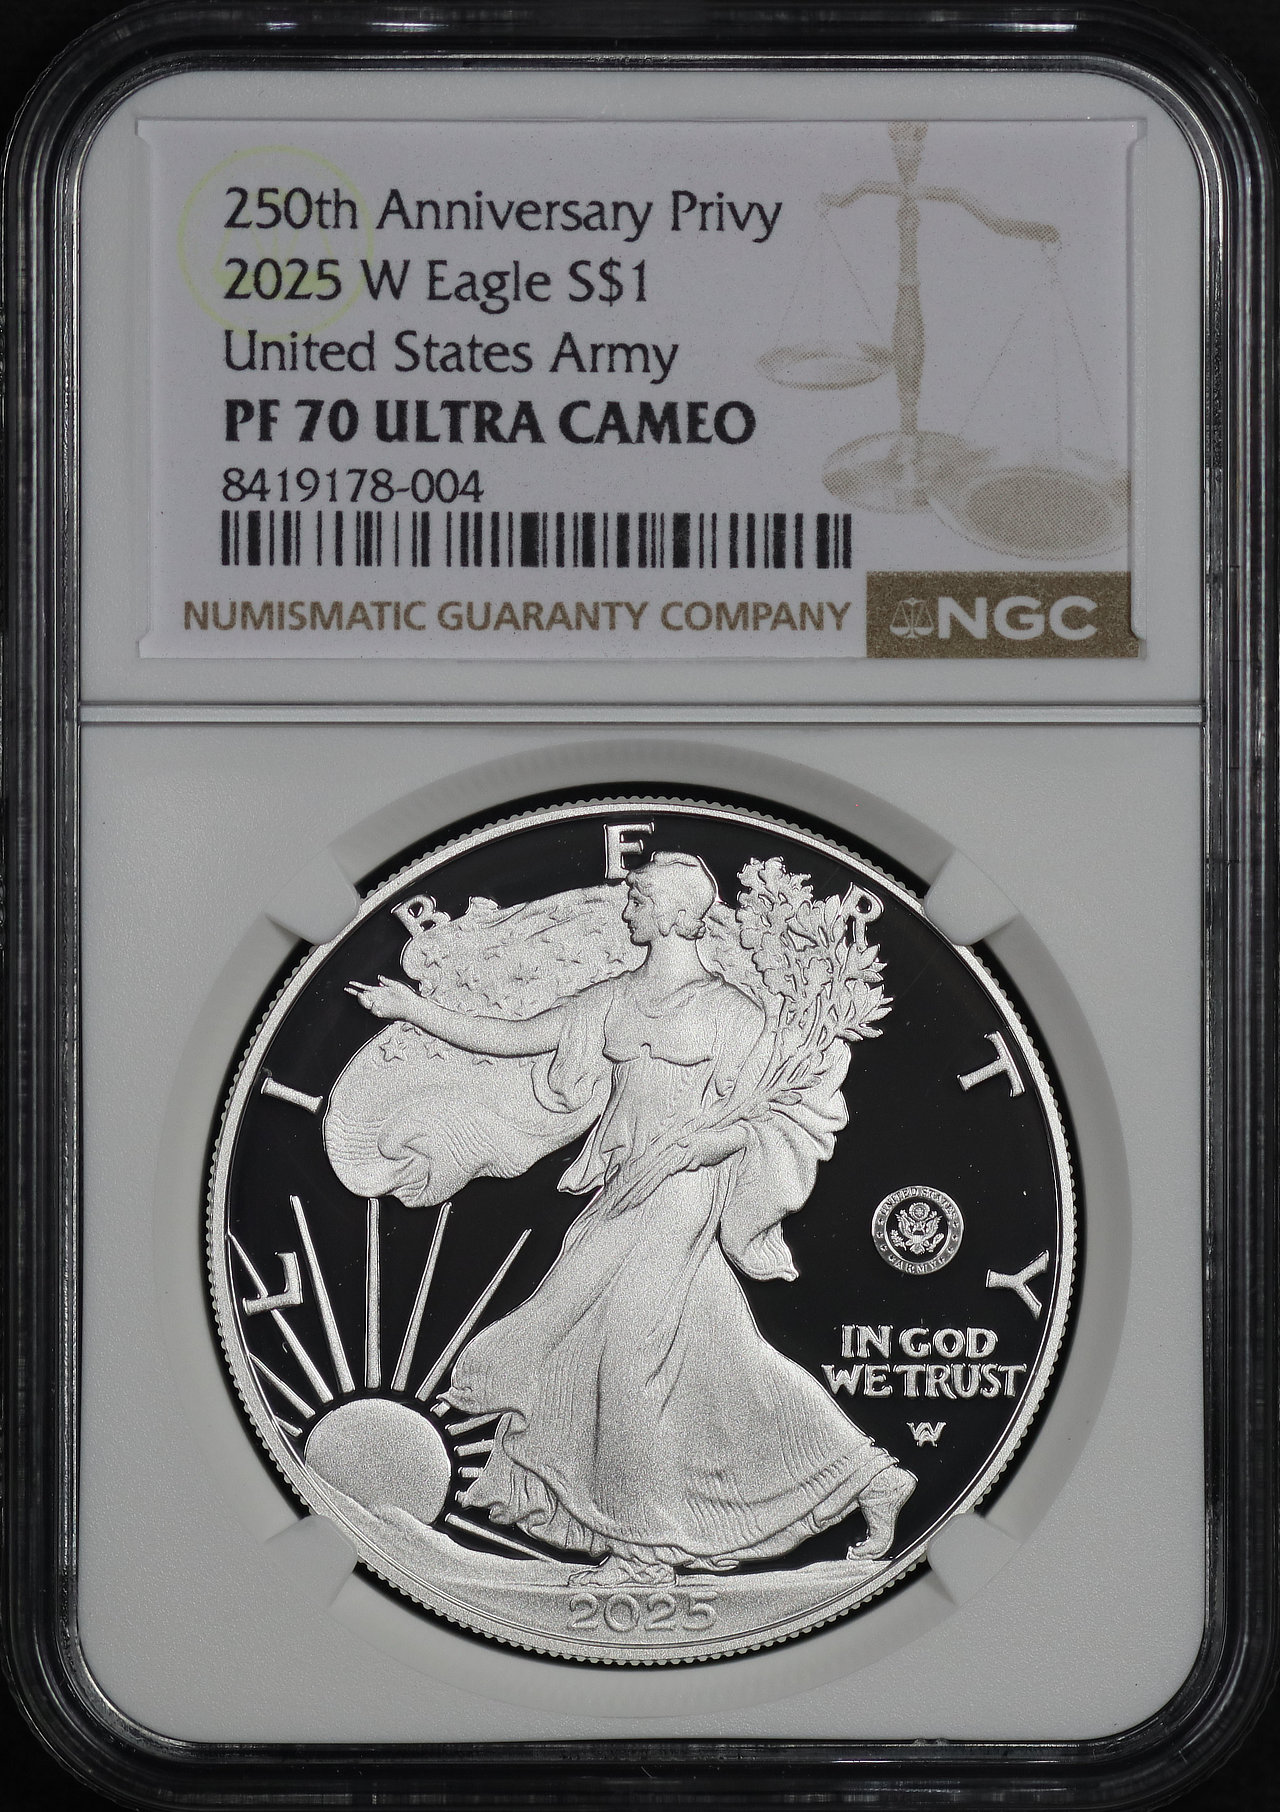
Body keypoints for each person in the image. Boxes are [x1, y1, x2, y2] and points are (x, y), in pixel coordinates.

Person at [349, 853, 914, 1583]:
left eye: (640, 898)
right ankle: (871, 1478)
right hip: (622, 1189)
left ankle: (642, 1552)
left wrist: (704, 1144)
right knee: (720, 1357)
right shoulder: (613, 999)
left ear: (678, 914)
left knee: (625, 1354)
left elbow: (782, 1112)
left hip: (682, 1192)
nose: (627, 910)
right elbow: (513, 1035)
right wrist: (412, 1010)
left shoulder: (732, 1011)